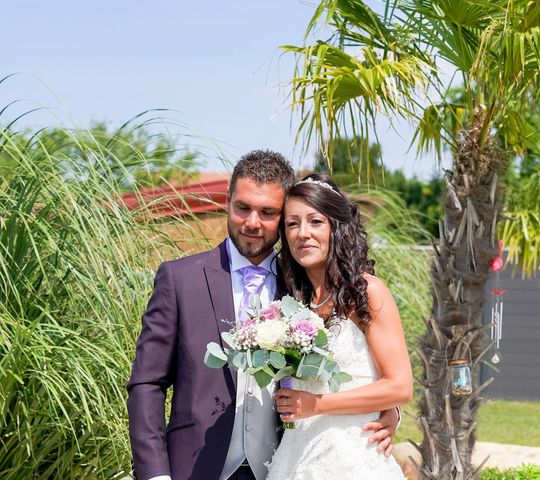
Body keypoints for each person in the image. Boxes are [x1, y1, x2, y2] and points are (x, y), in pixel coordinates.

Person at [127, 150, 400, 480]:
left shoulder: (304, 287)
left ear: (282, 217)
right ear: (228, 202)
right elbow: (147, 384)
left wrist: (388, 408)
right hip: (196, 469)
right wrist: (155, 475)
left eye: (268, 212)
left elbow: (351, 361)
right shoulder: (179, 279)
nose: (252, 223)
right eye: (243, 207)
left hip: (282, 467)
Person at [266, 173, 413, 479]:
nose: (302, 233)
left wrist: (317, 405)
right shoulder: (291, 301)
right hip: (297, 455)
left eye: (315, 221)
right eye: (292, 224)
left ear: (337, 227)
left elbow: (400, 386)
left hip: (354, 460)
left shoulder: (366, 292)